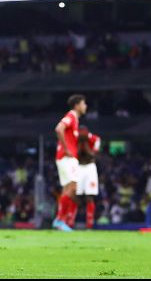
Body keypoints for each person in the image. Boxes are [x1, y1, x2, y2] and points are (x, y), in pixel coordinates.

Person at [52, 94, 88, 232]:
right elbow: (59, 128)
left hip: (65, 157)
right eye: (84, 104)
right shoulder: (71, 116)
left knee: (68, 189)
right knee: (72, 187)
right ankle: (60, 220)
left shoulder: (75, 119)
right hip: (67, 157)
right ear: (77, 105)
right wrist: (67, 148)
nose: (85, 106)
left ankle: (60, 220)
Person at [76, 125, 101, 229]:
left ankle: (89, 224)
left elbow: (92, 155)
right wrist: (79, 144)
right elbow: (75, 155)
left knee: (89, 196)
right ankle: (69, 222)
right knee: (75, 196)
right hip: (78, 167)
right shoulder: (74, 138)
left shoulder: (95, 139)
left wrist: (84, 143)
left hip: (90, 168)